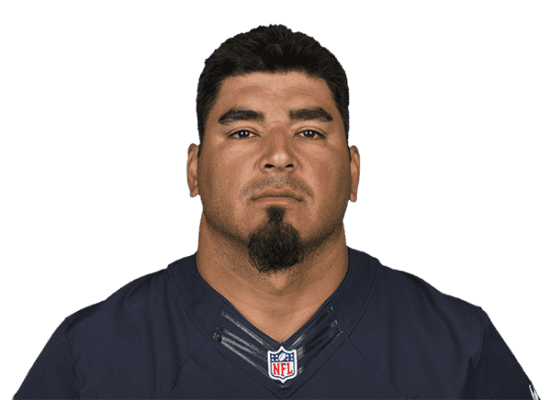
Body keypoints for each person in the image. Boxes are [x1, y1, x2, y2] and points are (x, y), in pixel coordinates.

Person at [14, 23, 540, 400]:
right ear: (194, 169)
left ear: (353, 170)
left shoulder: (458, 347)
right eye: (244, 131)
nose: (279, 155)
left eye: (309, 131)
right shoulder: (91, 355)